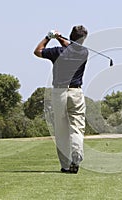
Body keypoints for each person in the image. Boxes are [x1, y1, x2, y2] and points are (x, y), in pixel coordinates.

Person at [34, 25, 88, 174]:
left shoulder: (58, 52)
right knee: (77, 128)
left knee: (61, 130)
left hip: (59, 93)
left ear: (71, 37)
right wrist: (59, 38)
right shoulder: (84, 52)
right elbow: (71, 46)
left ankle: (65, 166)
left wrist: (48, 37)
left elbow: (37, 51)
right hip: (76, 93)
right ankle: (76, 157)